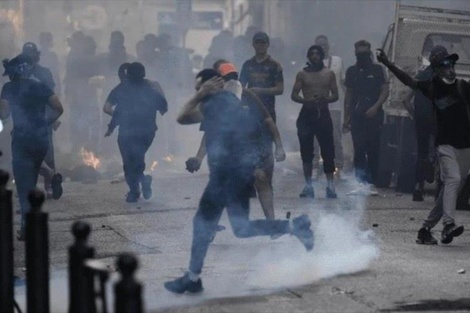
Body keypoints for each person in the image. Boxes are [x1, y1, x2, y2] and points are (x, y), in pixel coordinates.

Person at [164, 69, 313, 294]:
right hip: (235, 174)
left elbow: (182, 117)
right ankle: (294, 226)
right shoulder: (225, 103)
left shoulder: (215, 102)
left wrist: (199, 95)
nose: (197, 91)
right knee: (241, 228)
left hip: (225, 176)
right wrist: (251, 167)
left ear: (211, 85)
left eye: (200, 87)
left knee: (202, 224)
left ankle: (193, 279)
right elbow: (231, 133)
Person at [377, 47, 468, 245]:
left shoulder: (462, 87)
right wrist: (387, 63)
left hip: (465, 146)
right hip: (445, 144)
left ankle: (425, 229)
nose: (450, 68)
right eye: (445, 65)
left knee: (451, 189)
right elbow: (407, 81)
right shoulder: (431, 87)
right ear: (437, 69)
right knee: (453, 179)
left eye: (452, 64)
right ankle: (448, 224)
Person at [186, 61, 287, 220]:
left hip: (254, 146)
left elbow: (268, 121)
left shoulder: (247, 95)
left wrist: (279, 147)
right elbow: (209, 134)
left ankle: (272, 222)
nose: (231, 81)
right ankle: (209, 227)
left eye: (234, 77)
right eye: (227, 78)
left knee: (261, 179)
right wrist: (198, 158)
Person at [0, 55, 63, 240]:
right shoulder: (40, 86)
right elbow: (59, 108)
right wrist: (44, 124)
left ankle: (27, 226)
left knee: (23, 185)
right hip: (41, 139)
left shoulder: (9, 88)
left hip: (22, 139)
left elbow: (4, 114)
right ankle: (49, 176)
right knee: (32, 177)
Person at [104, 62, 167, 202]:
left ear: (128, 75)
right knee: (138, 159)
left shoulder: (123, 90)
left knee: (128, 162)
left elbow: (116, 111)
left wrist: (111, 128)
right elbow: (164, 107)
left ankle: (134, 190)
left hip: (127, 132)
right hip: (147, 132)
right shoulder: (150, 89)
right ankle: (142, 181)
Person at [291, 45, 339, 199]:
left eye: (317, 54)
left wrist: (325, 99)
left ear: (321, 56)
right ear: (308, 57)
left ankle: (330, 186)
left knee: (328, 150)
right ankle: (308, 185)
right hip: (307, 114)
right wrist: (306, 101)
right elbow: (294, 94)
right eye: (311, 54)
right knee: (306, 151)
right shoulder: (302, 74)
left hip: (323, 113)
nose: (314, 56)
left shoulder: (329, 74)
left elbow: (335, 95)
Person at [343, 40, 389, 196]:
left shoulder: (378, 70)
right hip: (357, 116)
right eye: (359, 53)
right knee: (359, 149)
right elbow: (348, 95)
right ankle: (359, 182)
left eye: (364, 53)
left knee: (374, 149)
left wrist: (376, 107)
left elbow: (385, 91)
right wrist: (346, 118)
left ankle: (371, 183)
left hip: (374, 115)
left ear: (369, 53)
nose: (362, 56)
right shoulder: (351, 71)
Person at [401, 47, 446, 202]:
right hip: (439, 121)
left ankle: (417, 189)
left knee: (421, 153)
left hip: (421, 120)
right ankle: (439, 191)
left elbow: (406, 100)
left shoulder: (421, 75)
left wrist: (415, 115)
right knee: (442, 154)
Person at [21, 41, 63, 199]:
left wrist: (52, 118)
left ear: (36, 56)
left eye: (31, 53)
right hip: (25, 117)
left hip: (41, 117)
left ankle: (50, 184)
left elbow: (50, 95)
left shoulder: (44, 72)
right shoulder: (18, 72)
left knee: (46, 152)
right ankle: (40, 183)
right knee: (26, 153)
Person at [312, 35, 345, 179]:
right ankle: (314, 167)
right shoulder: (310, 63)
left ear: (329, 46)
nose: (323, 47)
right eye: (320, 45)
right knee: (315, 139)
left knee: (336, 137)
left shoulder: (337, 61)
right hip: (315, 107)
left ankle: (339, 167)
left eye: (325, 45)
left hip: (334, 106)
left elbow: (343, 83)